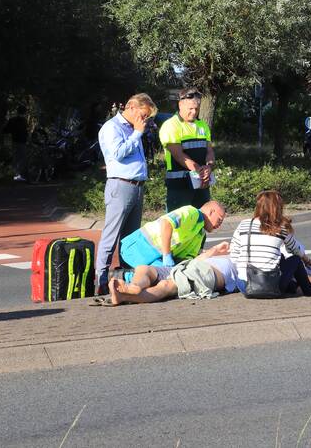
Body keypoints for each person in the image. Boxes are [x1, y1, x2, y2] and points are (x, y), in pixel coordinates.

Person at [95, 93, 157, 294]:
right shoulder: (112, 127)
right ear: (130, 107)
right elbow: (118, 153)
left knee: (130, 238)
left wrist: (138, 131)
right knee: (111, 235)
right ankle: (101, 279)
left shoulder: (133, 128)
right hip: (120, 185)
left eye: (147, 117)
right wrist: (138, 133)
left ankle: (125, 277)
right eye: (143, 115)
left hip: (137, 186)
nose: (144, 120)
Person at [230, 190, 311, 296]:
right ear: (277, 208)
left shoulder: (243, 225)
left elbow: (234, 256)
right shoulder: (280, 228)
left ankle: (291, 287)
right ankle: (309, 293)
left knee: (280, 259)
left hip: (246, 286)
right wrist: (307, 260)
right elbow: (296, 249)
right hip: (271, 287)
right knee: (295, 259)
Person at [105, 241, 239, 305]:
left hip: (203, 273)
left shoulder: (245, 263)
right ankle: (135, 286)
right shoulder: (229, 252)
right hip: (188, 266)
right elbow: (197, 260)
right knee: (144, 269)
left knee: (166, 286)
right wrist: (214, 250)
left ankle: (124, 296)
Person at [119, 201, 227, 269]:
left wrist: (212, 253)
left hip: (153, 256)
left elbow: (187, 260)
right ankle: (123, 277)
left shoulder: (200, 234)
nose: (220, 225)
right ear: (211, 212)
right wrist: (167, 255)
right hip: (138, 247)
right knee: (162, 277)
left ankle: (125, 277)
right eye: (219, 220)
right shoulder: (191, 212)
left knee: (170, 277)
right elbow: (166, 222)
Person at [159, 87, 216, 211]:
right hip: (179, 187)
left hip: (201, 185)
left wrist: (209, 167)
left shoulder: (203, 125)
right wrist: (200, 171)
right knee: (178, 226)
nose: (194, 112)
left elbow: (209, 151)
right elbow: (179, 155)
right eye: (190, 108)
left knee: (201, 223)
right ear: (180, 105)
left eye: (197, 108)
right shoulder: (171, 125)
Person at [2, 106, 29, 182]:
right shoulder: (24, 120)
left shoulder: (12, 120)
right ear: (24, 112)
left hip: (14, 141)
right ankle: (18, 175)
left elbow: (5, 130)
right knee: (22, 158)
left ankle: (14, 174)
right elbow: (25, 132)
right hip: (22, 142)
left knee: (15, 158)